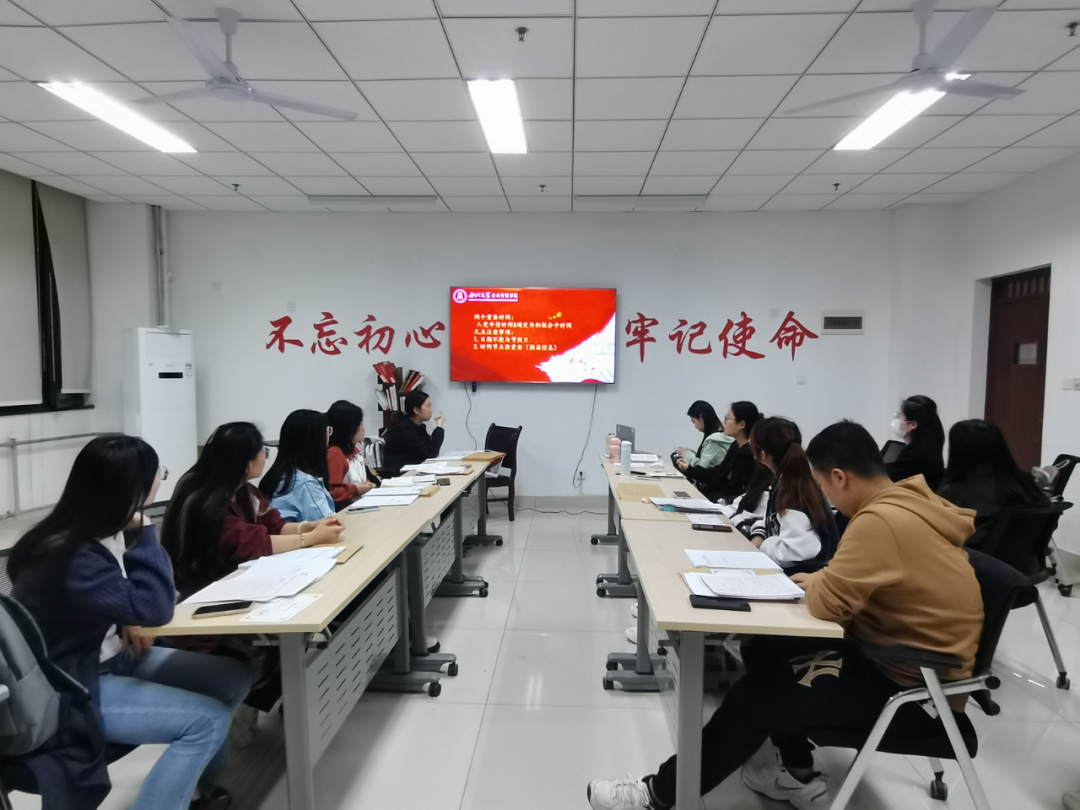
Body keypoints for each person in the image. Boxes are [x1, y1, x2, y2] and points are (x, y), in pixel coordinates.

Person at [587, 420, 983, 810]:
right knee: (764, 646)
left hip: (913, 693)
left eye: (823, 484)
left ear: (840, 477)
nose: (824, 494)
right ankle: (797, 774)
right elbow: (844, 579)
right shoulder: (907, 504)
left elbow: (827, 605)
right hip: (907, 664)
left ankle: (656, 795)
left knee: (755, 698)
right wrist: (822, 581)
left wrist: (820, 584)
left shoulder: (879, 521)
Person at [10, 435, 252, 810]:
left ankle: (192, 787)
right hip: (72, 685)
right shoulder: (69, 552)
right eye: (159, 473)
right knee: (205, 721)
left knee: (232, 677)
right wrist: (145, 530)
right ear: (134, 487)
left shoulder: (97, 529)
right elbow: (156, 608)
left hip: (110, 657)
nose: (161, 480)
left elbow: (119, 599)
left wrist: (125, 617)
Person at [161, 423, 343, 723]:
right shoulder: (205, 498)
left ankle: (275, 704)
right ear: (246, 461)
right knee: (281, 635)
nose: (264, 458)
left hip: (240, 583)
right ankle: (249, 712)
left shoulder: (239, 488)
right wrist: (309, 539)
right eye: (262, 452)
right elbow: (252, 543)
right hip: (204, 601)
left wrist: (307, 527)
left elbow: (271, 524)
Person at [938, 418, 1050, 550]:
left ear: (958, 450)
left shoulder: (953, 491)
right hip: (1024, 559)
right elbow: (1048, 520)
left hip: (973, 560)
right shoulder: (1023, 480)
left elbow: (942, 536)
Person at [745, 418, 839, 574]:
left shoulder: (794, 493)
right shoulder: (784, 480)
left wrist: (763, 546)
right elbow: (771, 522)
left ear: (762, 455)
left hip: (805, 578)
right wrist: (757, 539)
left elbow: (797, 551)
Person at [258, 409, 337, 523]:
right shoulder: (305, 483)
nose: (329, 435)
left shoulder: (282, 474)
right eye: (327, 431)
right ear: (315, 439)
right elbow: (327, 523)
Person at [681, 401, 761, 502]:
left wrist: (710, 499)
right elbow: (718, 472)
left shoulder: (748, 455)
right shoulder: (735, 446)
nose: (724, 422)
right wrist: (690, 469)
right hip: (718, 498)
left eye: (728, 418)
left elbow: (735, 492)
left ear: (741, 424)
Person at [885, 394, 946, 490]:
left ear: (913, 424)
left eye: (900, 415)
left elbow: (886, 484)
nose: (897, 419)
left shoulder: (914, 458)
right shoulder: (928, 450)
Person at [326, 399, 380, 506]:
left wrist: (368, 484)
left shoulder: (354, 448)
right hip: (347, 507)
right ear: (348, 429)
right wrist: (356, 489)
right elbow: (332, 493)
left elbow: (359, 477)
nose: (363, 428)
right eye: (360, 424)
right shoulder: (335, 453)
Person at [381, 390, 445, 477]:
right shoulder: (404, 429)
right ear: (416, 410)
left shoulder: (418, 426)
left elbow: (430, 448)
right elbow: (431, 452)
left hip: (411, 471)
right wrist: (439, 427)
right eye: (428, 406)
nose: (431, 410)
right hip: (399, 475)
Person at [674, 400, 733, 470]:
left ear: (701, 417)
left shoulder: (715, 441)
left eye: (694, 422)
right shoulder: (719, 437)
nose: (695, 426)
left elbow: (702, 469)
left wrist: (687, 455)